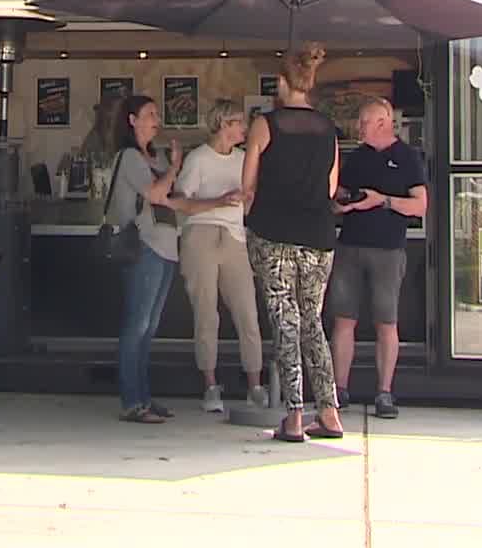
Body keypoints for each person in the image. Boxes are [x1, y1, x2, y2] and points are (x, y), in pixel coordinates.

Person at [241, 43, 347, 444]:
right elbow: (331, 186)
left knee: (285, 320)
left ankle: (294, 414)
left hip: (274, 233)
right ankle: (330, 411)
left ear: (283, 83)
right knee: (312, 322)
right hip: (319, 236)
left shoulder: (265, 126)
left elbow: (247, 186)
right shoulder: (327, 128)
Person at [328, 97, 427, 419]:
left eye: (364, 122)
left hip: (388, 248)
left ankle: (385, 392)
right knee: (344, 318)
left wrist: (381, 200)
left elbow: (420, 206)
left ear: (383, 122)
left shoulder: (407, 157)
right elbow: (337, 196)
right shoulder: (356, 158)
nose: (359, 128)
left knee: (387, 321)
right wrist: (344, 203)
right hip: (351, 244)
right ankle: (339, 390)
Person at [172, 99, 265, 414]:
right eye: (238, 122)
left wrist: (245, 200)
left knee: (247, 312)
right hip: (200, 234)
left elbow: (249, 204)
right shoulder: (198, 159)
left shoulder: (243, 159)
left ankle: (255, 384)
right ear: (224, 124)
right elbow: (180, 202)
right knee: (206, 313)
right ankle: (210, 385)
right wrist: (219, 201)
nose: (243, 128)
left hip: (235, 235)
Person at [105, 94, 182, 424]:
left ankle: (144, 396)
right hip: (143, 245)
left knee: (149, 327)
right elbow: (155, 194)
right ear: (132, 120)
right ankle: (132, 400)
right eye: (150, 114)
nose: (156, 119)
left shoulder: (155, 158)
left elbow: (171, 197)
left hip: (165, 245)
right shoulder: (130, 157)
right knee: (137, 324)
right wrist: (176, 167)